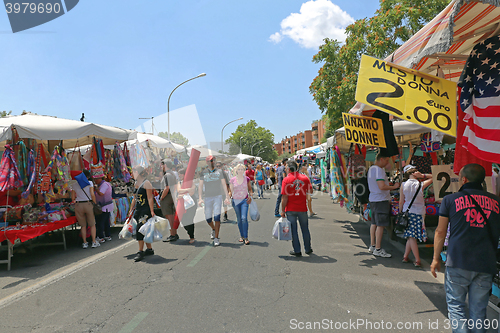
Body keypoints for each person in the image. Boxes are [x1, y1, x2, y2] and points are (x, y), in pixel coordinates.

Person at [431, 164, 500, 332]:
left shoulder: (449, 200)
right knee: (479, 312)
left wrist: (435, 258)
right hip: (486, 263)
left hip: (458, 260)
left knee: (456, 308)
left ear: (463, 179)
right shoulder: (497, 202)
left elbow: (440, 231)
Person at [399, 165, 433, 267]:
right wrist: (423, 175)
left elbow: (401, 201)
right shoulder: (420, 184)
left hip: (408, 212)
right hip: (420, 212)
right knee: (411, 236)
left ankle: (416, 259)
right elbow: (434, 177)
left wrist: (400, 213)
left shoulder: (403, 185)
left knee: (411, 236)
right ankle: (407, 257)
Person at [367, 153, 400, 258]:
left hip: (373, 199)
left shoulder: (371, 169)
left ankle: (373, 245)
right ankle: (378, 248)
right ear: (381, 159)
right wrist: (394, 187)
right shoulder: (379, 170)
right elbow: (381, 186)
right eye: (386, 160)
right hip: (380, 200)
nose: (387, 163)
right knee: (381, 225)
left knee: (374, 223)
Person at [281, 160, 313, 257]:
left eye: (286, 168)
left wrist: (282, 210)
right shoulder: (304, 177)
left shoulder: (286, 180)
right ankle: (308, 249)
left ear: (289, 169)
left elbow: (285, 197)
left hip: (290, 209)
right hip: (302, 208)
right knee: (305, 229)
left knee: (293, 230)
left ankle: (297, 250)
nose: (285, 170)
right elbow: (310, 190)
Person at [198, 156, 230, 246]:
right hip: (208, 197)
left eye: (213, 161)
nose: (211, 162)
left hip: (217, 197)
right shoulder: (203, 173)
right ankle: (213, 228)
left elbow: (224, 184)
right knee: (208, 218)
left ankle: (216, 237)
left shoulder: (220, 172)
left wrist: (227, 196)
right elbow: (200, 186)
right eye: (209, 161)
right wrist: (200, 198)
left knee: (217, 217)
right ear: (207, 162)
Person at [128, 166, 156, 262]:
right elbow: (134, 199)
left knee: (140, 229)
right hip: (138, 210)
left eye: (133, 172)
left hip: (145, 210)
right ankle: (149, 249)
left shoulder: (146, 183)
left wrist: (152, 211)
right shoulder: (136, 184)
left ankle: (140, 251)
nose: (132, 174)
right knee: (144, 230)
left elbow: (150, 198)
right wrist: (131, 210)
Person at [71, 170, 99, 249]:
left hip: (78, 205)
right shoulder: (89, 183)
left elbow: (73, 198)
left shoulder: (74, 185)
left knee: (83, 225)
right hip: (88, 204)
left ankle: (85, 243)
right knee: (92, 224)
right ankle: (93, 242)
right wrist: (95, 202)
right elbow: (92, 194)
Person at [230, 164, 253, 245]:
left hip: (244, 201)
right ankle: (242, 236)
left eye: (241, 169)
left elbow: (250, 189)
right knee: (239, 219)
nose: (240, 171)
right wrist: (227, 197)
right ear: (236, 171)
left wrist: (250, 196)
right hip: (235, 201)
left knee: (244, 218)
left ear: (243, 170)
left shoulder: (247, 179)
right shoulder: (232, 180)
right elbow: (230, 191)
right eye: (239, 169)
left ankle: (246, 237)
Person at [93, 168, 114, 243]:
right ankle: (107, 235)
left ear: (100, 178)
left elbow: (101, 193)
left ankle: (101, 236)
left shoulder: (104, 185)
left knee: (101, 222)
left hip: (105, 206)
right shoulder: (101, 184)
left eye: (96, 179)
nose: (95, 180)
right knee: (105, 221)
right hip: (104, 206)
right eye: (94, 179)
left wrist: (96, 189)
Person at [176, 168, 197, 244]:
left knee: (189, 219)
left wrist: (183, 194)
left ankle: (192, 236)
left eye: (181, 174)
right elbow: (179, 190)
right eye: (178, 174)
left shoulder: (191, 181)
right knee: (183, 220)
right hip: (182, 203)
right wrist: (188, 190)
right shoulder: (179, 182)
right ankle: (189, 231)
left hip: (191, 203)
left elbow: (192, 191)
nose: (179, 175)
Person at [160, 160, 179, 242]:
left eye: (162, 165)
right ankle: (174, 233)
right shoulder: (172, 173)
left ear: (165, 165)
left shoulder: (167, 175)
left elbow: (166, 188)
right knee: (171, 216)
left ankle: (172, 234)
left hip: (167, 197)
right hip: (172, 196)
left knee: (169, 217)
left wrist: (161, 197)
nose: (161, 166)